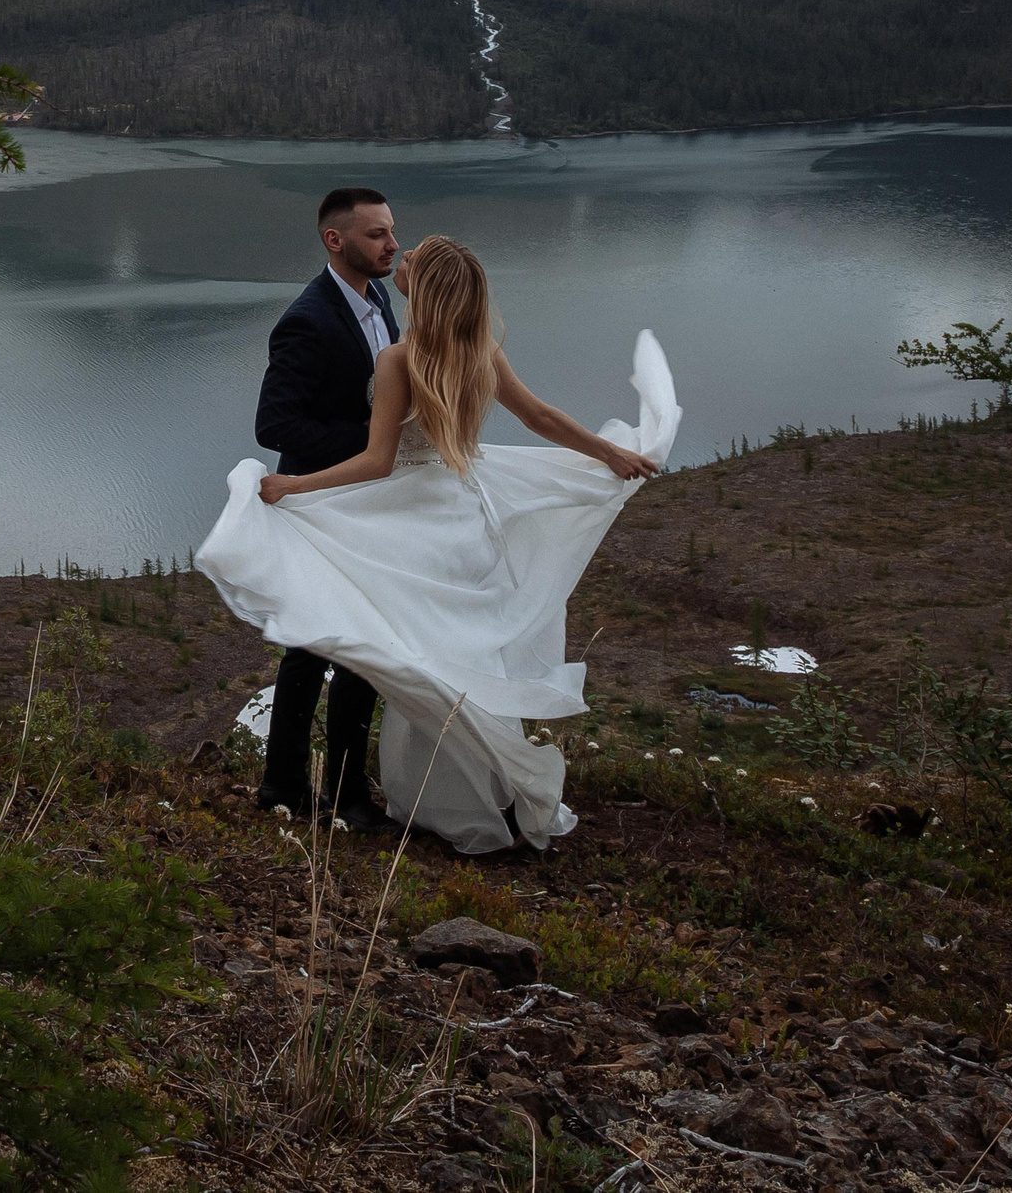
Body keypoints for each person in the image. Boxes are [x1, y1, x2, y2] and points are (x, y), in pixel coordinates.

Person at [201, 229, 678, 854]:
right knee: (462, 658)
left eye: (416, 260)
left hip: (411, 519)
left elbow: (377, 462)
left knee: (395, 653)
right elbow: (540, 417)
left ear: (424, 288)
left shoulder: (400, 359)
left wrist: (294, 486)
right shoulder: (480, 349)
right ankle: (479, 789)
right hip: (464, 518)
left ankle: (426, 796)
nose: (402, 259)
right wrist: (606, 451)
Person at [247, 187, 407, 831]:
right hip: (319, 503)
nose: (392, 244)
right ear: (334, 241)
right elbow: (274, 425)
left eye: (392, 231)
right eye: (376, 235)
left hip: (367, 501)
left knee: (362, 645)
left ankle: (339, 790)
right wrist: (378, 441)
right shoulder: (306, 321)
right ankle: (289, 788)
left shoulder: (382, 301)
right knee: (312, 648)